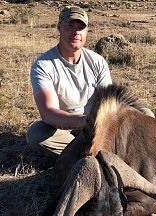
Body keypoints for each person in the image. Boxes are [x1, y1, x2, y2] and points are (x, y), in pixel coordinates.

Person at [26, 6, 112, 159]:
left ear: (86, 32)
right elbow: (48, 113)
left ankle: (82, 154)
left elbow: (108, 101)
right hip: (65, 129)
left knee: (145, 114)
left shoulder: (97, 61)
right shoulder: (43, 65)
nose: (76, 32)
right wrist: (86, 121)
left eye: (81, 28)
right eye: (70, 26)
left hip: (99, 127)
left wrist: (99, 123)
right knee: (37, 134)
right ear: (59, 28)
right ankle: (99, 153)